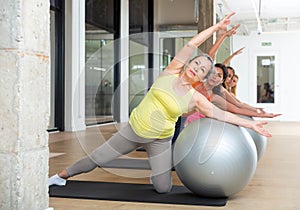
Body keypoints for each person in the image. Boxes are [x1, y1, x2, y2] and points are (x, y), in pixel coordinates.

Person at [49, 13, 271, 194]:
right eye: (196, 62)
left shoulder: (196, 98)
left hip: (160, 140)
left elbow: (220, 114)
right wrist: (216, 29)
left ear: (203, 77)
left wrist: (251, 124)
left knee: (163, 188)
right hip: (133, 131)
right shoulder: (170, 72)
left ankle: (159, 170)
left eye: (202, 69)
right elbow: (194, 42)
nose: (196, 67)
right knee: (96, 158)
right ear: (189, 62)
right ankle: (59, 177)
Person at [185, 63, 281, 125]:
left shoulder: (215, 97)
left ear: (222, 80)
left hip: (188, 124)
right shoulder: (195, 82)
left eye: (219, 75)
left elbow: (237, 109)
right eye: (213, 73)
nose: (214, 76)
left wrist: (260, 114)